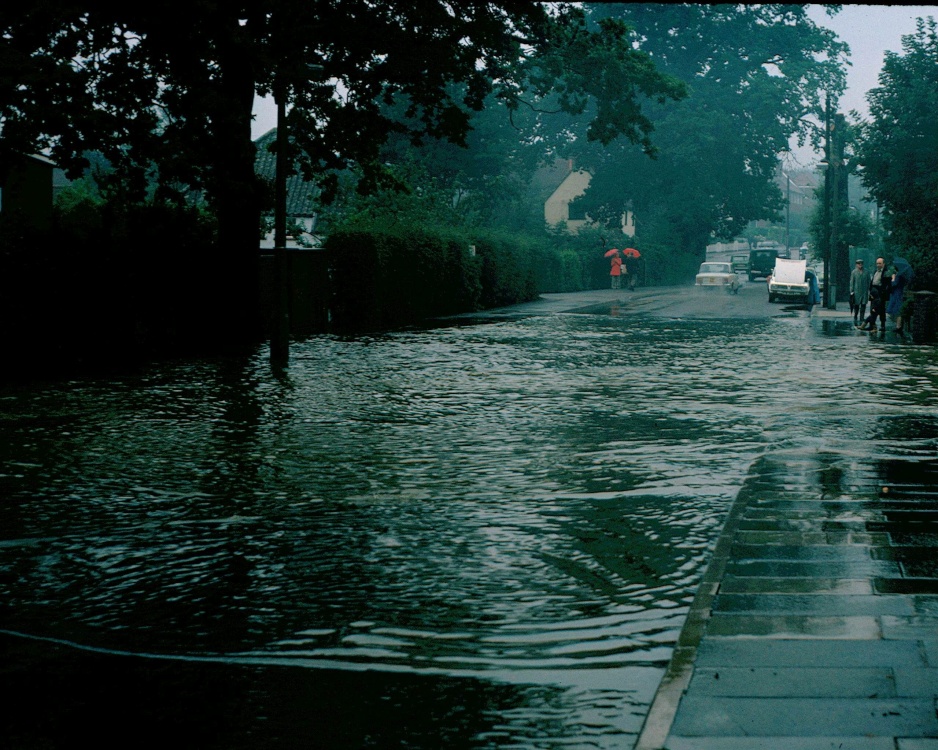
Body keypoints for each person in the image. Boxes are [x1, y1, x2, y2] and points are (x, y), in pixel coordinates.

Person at [858, 257, 891, 333]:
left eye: (880, 263)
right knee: (873, 310)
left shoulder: (886, 273)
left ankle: (874, 325)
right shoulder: (876, 271)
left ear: (883, 264)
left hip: (880, 294)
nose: (878, 265)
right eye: (877, 263)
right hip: (874, 294)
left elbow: (887, 285)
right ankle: (871, 325)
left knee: (877, 310)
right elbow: (873, 282)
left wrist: (882, 294)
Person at [886, 261, 910, 335]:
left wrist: (893, 279)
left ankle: (898, 326)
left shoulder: (899, 276)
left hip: (897, 294)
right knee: (895, 310)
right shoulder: (901, 275)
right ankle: (898, 326)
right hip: (897, 293)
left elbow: (894, 284)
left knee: (897, 310)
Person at [849, 259, 871, 326]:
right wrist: (851, 291)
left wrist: (870, 290)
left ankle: (862, 317)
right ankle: (855, 316)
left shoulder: (866, 272)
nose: (860, 265)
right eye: (859, 263)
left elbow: (869, 281)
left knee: (863, 305)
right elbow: (852, 282)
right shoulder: (854, 272)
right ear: (856, 264)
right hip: (856, 291)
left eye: (861, 263)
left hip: (864, 291)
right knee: (856, 305)